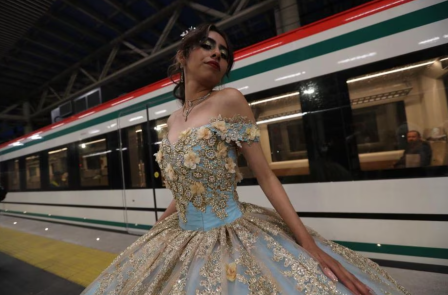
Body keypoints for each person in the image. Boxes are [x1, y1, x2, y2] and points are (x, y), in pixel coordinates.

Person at [81, 24, 410, 295]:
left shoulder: (229, 100)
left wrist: (309, 245)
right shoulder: (172, 119)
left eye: (223, 54)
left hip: (231, 231)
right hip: (179, 233)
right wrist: (156, 230)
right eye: (208, 46)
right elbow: (186, 188)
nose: (216, 55)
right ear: (182, 55)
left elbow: (266, 176)